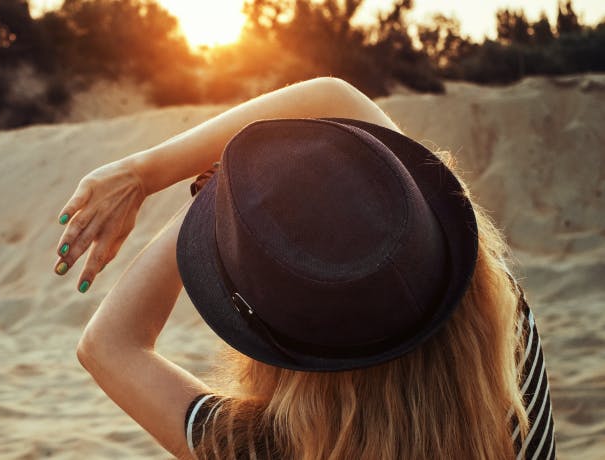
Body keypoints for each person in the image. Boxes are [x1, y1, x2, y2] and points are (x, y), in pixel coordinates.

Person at [53, 78, 555, 459]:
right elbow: (336, 97)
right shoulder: (506, 337)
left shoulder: (272, 446)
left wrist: (221, 199)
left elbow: (108, 344)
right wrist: (146, 173)